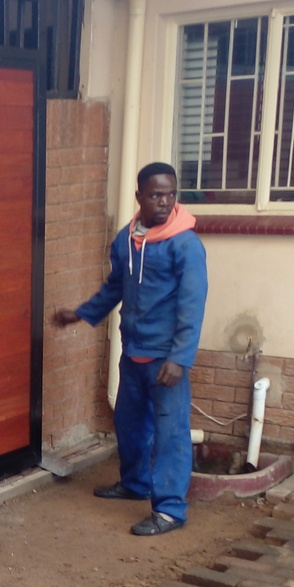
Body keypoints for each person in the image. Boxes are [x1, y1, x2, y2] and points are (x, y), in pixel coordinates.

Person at [54, 162, 207, 536]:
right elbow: (115, 287)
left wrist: (179, 359)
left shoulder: (185, 245)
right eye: (155, 195)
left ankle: (169, 510)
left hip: (165, 359)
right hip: (133, 351)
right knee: (129, 423)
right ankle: (135, 484)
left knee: (170, 434)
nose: (164, 202)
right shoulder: (126, 240)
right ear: (140, 197)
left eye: (170, 194)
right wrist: (81, 314)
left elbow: (192, 305)